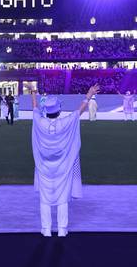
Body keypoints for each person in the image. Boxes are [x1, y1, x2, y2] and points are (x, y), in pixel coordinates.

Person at [27, 83, 100, 237]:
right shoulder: (64, 123)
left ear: (46, 111)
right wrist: (88, 95)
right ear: (58, 110)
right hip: (63, 167)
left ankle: (46, 229)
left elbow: (34, 108)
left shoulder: (40, 122)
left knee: (44, 199)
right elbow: (78, 113)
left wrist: (33, 92)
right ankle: (62, 229)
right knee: (62, 199)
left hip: (44, 167)